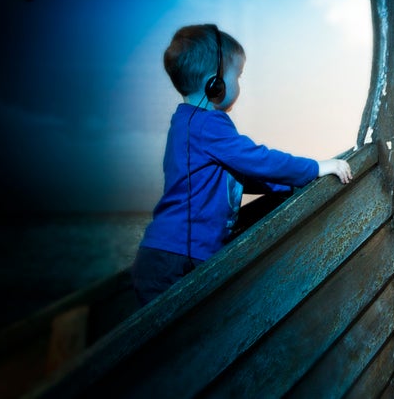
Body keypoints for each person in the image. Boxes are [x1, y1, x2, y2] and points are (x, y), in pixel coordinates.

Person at [132, 24, 352, 305]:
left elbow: (244, 174)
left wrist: (293, 183)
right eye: (239, 75)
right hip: (178, 261)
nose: (241, 85)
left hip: (163, 257)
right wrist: (315, 168)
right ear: (216, 83)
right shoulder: (208, 124)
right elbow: (258, 160)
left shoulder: (186, 123)